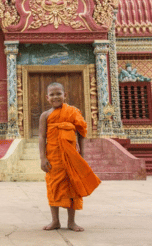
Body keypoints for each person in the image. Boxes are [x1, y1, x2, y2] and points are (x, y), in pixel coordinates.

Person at [39, 82, 101, 232]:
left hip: (71, 156)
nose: (56, 97)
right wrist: (42, 158)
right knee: (53, 187)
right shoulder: (45, 115)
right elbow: (41, 137)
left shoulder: (73, 112)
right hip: (53, 157)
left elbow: (81, 135)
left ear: (65, 95)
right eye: (52, 95)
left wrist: (82, 155)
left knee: (72, 186)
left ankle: (71, 222)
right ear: (47, 97)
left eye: (58, 93)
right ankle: (55, 221)